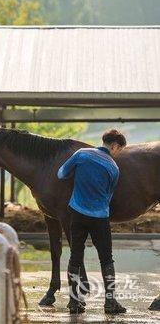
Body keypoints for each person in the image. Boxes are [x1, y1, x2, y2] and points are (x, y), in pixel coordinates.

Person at [57, 129, 127, 314]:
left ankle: (74, 303)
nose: (118, 153)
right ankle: (110, 303)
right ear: (114, 146)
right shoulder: (114, 168)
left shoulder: (81, 154)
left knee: (75, 256)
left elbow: (61, 174)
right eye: (119, 149)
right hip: (100, 218)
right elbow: (108, 196)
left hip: (77, 213)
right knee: (106, 259)